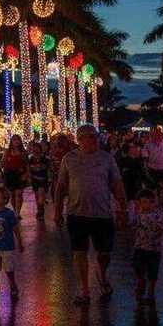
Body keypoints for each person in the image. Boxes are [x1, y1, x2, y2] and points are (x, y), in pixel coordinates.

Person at [54, 124, 128, 306]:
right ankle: (84, 289)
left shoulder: (107, 158)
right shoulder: (69, 159)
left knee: (104, 254)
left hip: (102, 214)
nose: (94, 139)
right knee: (80, 252)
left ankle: (101, 274)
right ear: (79, 140)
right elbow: (61, 186)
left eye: (95, 136)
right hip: (76, 214)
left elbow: (117, 184)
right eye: (89, 136)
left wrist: (123, 209)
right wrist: (57, 211)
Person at [0, 185, 24, 301]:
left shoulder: (9, 214)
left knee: (9, 269)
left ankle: (13, 285)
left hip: (7, 247)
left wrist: (20, 243)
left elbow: (15, 229)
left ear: (5, 200)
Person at [131, 188, 163, 304]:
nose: (147, 205)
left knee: (153, 272)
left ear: (154, 202)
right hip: (140, 247)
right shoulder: (138, 216)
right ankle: (141, 282)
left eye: (150, 202)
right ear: (139, 203)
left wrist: (160, 229)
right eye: (144, 202)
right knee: (138, 268)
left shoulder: (157, 216)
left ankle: (151, 292)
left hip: (154, 249)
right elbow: (132, 226)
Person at [142, 126, 163, 205]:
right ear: (154, 134)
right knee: (154, 186)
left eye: (159, 133)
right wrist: (145, 159)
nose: (158, 135)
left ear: (162, 134)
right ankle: (155, 200)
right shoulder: (148, 143)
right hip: (153, 168)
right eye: (156, 133)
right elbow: (144, 152)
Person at [2, 135, 30, 218]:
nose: (16, 142)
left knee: (19, 194)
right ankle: (15, 210)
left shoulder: (23, 152)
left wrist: (27, 174)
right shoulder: (7, 151)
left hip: (20, 174)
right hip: (10, 174)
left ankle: (17, 212)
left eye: (18, 140)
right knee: (13, 195)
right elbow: (3, 163)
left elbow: (27, 164)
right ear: (11, 141)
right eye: (14, 140)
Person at [117, 141, 146, 213]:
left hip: (136, 186)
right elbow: (120, 173)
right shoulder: (123, 160)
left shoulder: (138, 160)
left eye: (135, 147)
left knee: (137, 205)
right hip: (128, 187)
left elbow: (142, 173)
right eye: (132, 147)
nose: (135, 149)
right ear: (128, 150)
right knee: (129, 206)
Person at [27, 141, 50, 218]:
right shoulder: (30, 159)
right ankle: (40, 209)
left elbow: (48, 168)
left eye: (37, 148)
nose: (36, 150)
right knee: (37, 195)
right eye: (34, 148)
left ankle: (40, 209)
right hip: (35, 179)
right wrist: (30, 177)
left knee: (41, 194)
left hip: (43, 179)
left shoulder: (45, 158)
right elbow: (29, 169)